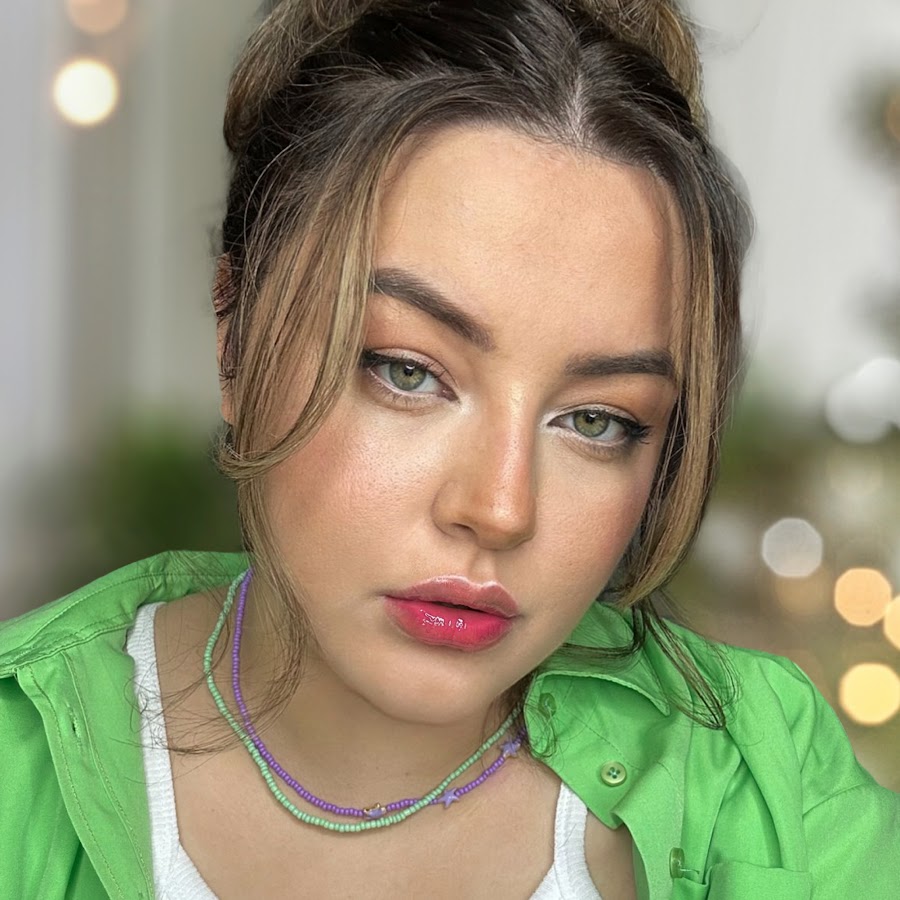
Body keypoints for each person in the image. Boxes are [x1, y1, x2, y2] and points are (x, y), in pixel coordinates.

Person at [2, 0, 898, 897]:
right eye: (407, 372)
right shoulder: (19, 771)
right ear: (235, 338)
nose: (500, 510)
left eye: (597, 420)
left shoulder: (772, 790)